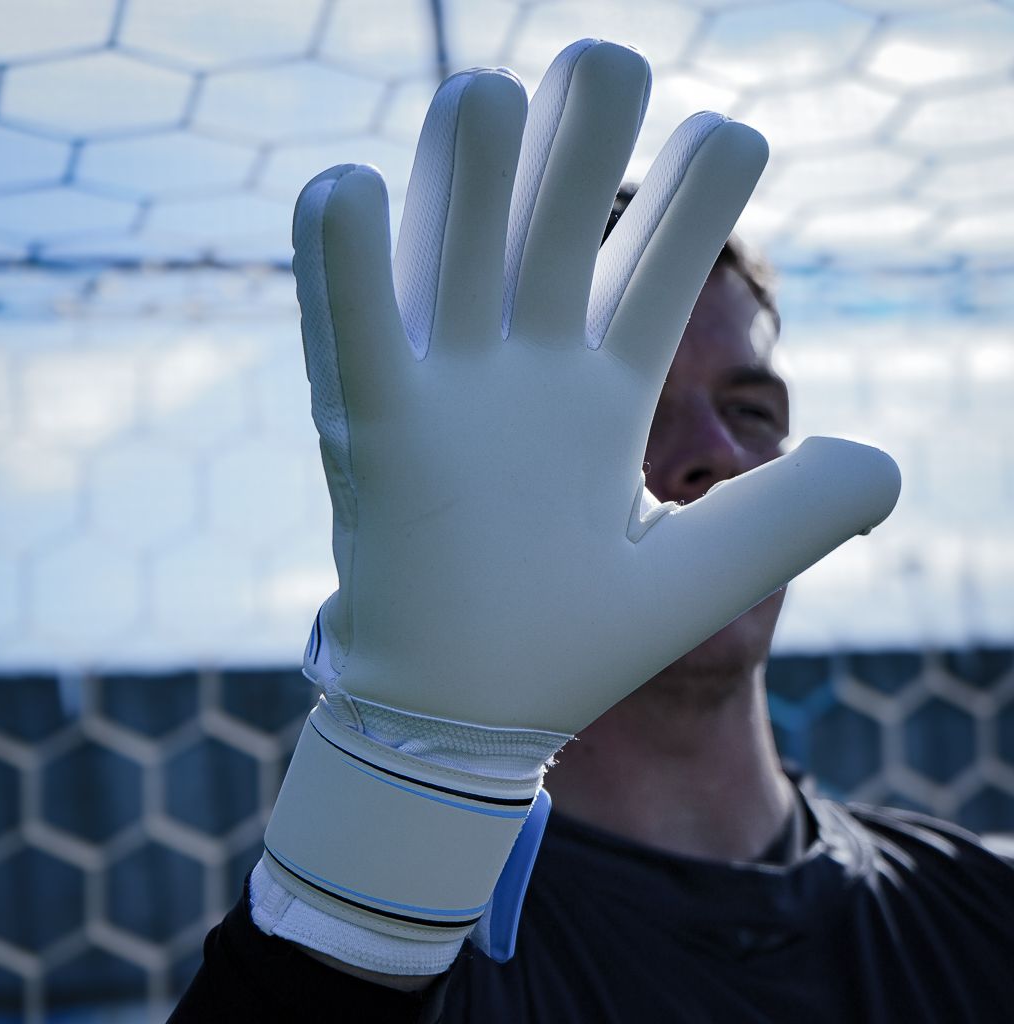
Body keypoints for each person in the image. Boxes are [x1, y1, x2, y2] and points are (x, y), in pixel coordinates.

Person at [171, 41, 1012, 1024]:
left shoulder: (977, 908)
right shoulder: (405, 958)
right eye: (638, 411)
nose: (716, 455)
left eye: (750, 409)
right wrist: (421, 772)